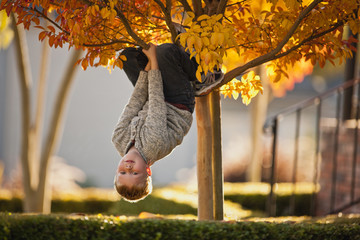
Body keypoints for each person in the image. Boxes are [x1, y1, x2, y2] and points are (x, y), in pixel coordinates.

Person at [112, 43, 223, 202]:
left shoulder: (118, 139)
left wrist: (147, 67)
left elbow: (134, 103)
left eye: (123, 173)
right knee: (164, 52)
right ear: (148, 170)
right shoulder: (154, 145)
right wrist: (154, 59)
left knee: (126, 56)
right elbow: (157, 100)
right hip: (176, 101)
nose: (128, 168)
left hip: (153, 95)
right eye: (135, 173)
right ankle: (202, 77)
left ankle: (169, 65)